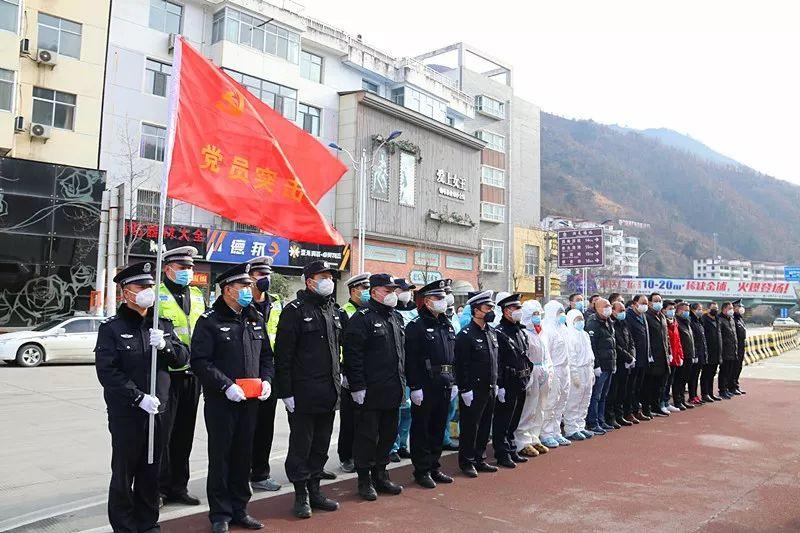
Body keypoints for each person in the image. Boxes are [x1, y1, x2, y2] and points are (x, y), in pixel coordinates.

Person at [95, 261, 190, 533]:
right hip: (128, 412)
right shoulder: (112, 328)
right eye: (141, 286)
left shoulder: (162, 324)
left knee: (151, 471)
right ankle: (124, 526)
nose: (147, 290)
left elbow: (183, 358)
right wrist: (137, 397)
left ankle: (148, 522)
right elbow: (108, 372)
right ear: (126, 292)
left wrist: (166, 345)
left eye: (150, 285)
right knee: (125, 472)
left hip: (159, 410)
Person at [191, 262, 275, 532]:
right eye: (243, 286)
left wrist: (267, 381)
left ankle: (240, 508)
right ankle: (220, 514)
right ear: (228, 289)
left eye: (249, 285)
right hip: (222, 402)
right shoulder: (210, 321)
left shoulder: (255, 318)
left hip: (251, 401)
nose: (249, 290)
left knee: (243, 456)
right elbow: (200, 361)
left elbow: (266, 358)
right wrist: (225, 385)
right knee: (222, 457)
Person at [272, 260, 343, 518]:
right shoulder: (294, 311)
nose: (328, 281)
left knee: (321, 445)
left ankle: (315, 490)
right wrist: (286, 392)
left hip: (328, 391)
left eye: (330, 277)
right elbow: (283, 355)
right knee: (302, 445)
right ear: (309, 280)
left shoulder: (332, 309)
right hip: (303, 393)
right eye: (322, 276)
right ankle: (301, 495)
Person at [342, 274, 405, 501]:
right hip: (370, 391)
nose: (392, 295)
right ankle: (364, 480)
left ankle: (381, 475)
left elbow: (400, 355)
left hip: (392, 389)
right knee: (367, 437)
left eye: (393, 291)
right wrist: (357, 386)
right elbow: (353, 355)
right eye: (387, 291)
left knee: (388, 435)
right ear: (375, 291)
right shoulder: (362, 318)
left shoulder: (396, 318)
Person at [157, 246, 205, 506]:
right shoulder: (156, 294)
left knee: (185, 434)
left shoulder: (197, 295)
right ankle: (159, 488)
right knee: (163, 434)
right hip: (166, 374)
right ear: (168, 269)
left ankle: (179, 486)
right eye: (182, 267)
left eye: (190, 268)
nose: (188, 272)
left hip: (192, 375)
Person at [405, 279, 457, 488]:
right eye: (438, 298)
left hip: (444, 383)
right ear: (427, 301)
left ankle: (435, 466)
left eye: (443, 298)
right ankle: (422, 470)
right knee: (422, 430)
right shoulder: (416, 326)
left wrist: (454, 382)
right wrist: (415, 387)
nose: (442, 301)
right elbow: (411, 359)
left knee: (438, 427)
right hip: (425, 385)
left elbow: (453, 358)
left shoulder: (446, 324)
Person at [454, 290, 500, 477]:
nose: (490, 311)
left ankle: (480, 458)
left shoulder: (491, 332)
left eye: (491, 307)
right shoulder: (466, 334)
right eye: (487, 307)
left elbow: (494, 360)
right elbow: (460, 364)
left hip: (489, 387)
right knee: (470, 427)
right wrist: (464, 388)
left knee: (484, 425)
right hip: (473, 389)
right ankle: (467, 462)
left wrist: (496, 382)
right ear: (476, 310)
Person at [246, 256, 282, 494]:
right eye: (260, 274)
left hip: (270, 373)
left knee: (265, 428)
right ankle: (241, 475)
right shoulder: (242, 304)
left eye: (267, 274)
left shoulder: (276, 303)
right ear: (249, 278)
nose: (265, 279)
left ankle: (260, 473)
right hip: (247, 372)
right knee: (246, 427)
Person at [492, 293, 533, 468]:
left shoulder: (520, 332)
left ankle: (511, 448)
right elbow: (498, 361)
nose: (519, 311)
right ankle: (502, 452)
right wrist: (499, 385)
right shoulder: (499, 333)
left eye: (519, 308)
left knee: (515, 418)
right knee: (503, 419)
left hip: (521, 380)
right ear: (506, 311)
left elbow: (524, 356)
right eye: (516, 309)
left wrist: (529, 374)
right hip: (507, 382)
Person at [337, 272, 371, 474]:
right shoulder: (345, 312)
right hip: (349, 373)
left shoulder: (370, 312)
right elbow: (343, 345)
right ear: (353, 290)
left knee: (365, 419)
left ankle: (362, 455)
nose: (366, 292)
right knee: (349, 419)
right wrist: (344, 372)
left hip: (367, 372)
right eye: (363, 288)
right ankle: (346, 456)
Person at [514, 300, 551, 457]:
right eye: (534, 314)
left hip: (542, 370)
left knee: (539, 408)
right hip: (531, 371)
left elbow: (546, 353)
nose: (537, 317)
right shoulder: (524, 334)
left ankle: (534, 436)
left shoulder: (540, 333)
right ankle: (522, 441)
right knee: (527, 408)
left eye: (539, 314)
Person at [389, 278, 417, 463]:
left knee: (408, 410)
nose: (408, 293)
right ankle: (392, 446)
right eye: (404, 289)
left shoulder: (414, 311)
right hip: (396, 366)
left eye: (409, 290)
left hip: (411, 365)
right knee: (397, 409)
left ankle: (403, 445)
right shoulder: (391, 311)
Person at [539, 300, 573, 448]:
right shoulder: (547, 330)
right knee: (550, 403)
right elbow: (546, 354)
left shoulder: (563, 329)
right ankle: (545, 433)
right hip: (554, 370)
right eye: (559, 313)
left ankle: (556, 431)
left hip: (565, 369)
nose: (562, 315)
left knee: (561, 402)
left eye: (562, 312)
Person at [585, 298, 616, 434]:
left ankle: (601, 420)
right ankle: (593, 422)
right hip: (600, 366)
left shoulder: (608, 321)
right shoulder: (593, 323)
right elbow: (592, 347)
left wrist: (613, 362)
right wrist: (596, 365)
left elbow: (612, 344)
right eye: (605, 306)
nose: (608, 308)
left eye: (609, 306)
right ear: (597, 308)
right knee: (596, 396)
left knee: (603, 395)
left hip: (609, 364)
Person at [563, 309, 595, 438]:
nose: (580, 322)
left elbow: (590, 353)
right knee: (574, 400)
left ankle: (580, 425)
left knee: (585, 400)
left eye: (581, 319)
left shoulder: (585, 334)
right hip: (577, 370)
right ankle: (571, 429)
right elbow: (571, 356)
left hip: (587, 370)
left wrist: (592, 370)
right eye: (577, 320)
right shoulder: (569, 335)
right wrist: (574, 374)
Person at [607, 300, 635, 427]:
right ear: (613, 311)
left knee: (622, 392)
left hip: (627, 364)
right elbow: (615, 345)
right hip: (617, 362)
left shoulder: (624, 323)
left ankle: (620, 415)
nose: (623, 313)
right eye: (621, 311)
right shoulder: (611, 324)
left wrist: (632, 357)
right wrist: (628, 357)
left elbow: (630, 341)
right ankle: (610, 417)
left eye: (624, 310)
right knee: (613, 392)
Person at [625, 295, 652, 422]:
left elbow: (647, 336)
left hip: (643, 358)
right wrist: (631, 356)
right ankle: (628, 411)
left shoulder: (643, 316)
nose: (645, 305)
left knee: (638, 388)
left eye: (646, 303)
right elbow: (629, 339)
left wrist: (649, 354)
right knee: (630, 387)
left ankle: (636, 410)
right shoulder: (628, 316)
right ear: (635, 303)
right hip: (633, 358)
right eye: (643, 303)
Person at [674, 301, 696, 410]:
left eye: (688, 310)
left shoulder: (687, 321)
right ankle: (677, 401)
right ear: (678, 311)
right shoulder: (676, 322)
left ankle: (682, 400)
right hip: (681, 356)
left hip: (689, 355)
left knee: (684, 379)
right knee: (679, 379)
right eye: (685, 310)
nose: (687, 312)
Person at [701, 302, 723, 402]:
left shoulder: (718, 320)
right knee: (706, 374)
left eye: (716, 308)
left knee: (712, 374)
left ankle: (710, 393)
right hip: (708, 351)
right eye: (713, 308)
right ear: (708, 309)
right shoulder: (704, 320)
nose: (715, 310)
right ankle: (704, 394)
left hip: (717, 352)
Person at [688, 302, 708, 405]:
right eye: (699, 309)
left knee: (696, 376)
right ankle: (692, 396)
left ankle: (695, 395)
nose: (701, 311)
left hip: (700, 353)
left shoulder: (698, 321)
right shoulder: (691, 321)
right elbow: (693, 340)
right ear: (693, 310)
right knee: (693, 377)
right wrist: (694, 354)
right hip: (695, 353)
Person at [718, 302, 738, 399]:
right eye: (730, 308)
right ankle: (722, 390)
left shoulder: (731, 320)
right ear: (724, 309)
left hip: (732, 350)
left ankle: (726, 389)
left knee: (729, 371)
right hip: (725, 350)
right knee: (724, 371)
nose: (732, 310)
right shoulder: (720, 320)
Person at [731, 300, 747, 395]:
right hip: (735, 346)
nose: (741, 308)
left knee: (738, 367)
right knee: (733, 367)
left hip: (741, 346)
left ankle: (736, 385)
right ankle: (731, 386)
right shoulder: (732, 318)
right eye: (739, 306)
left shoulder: (739, 318)